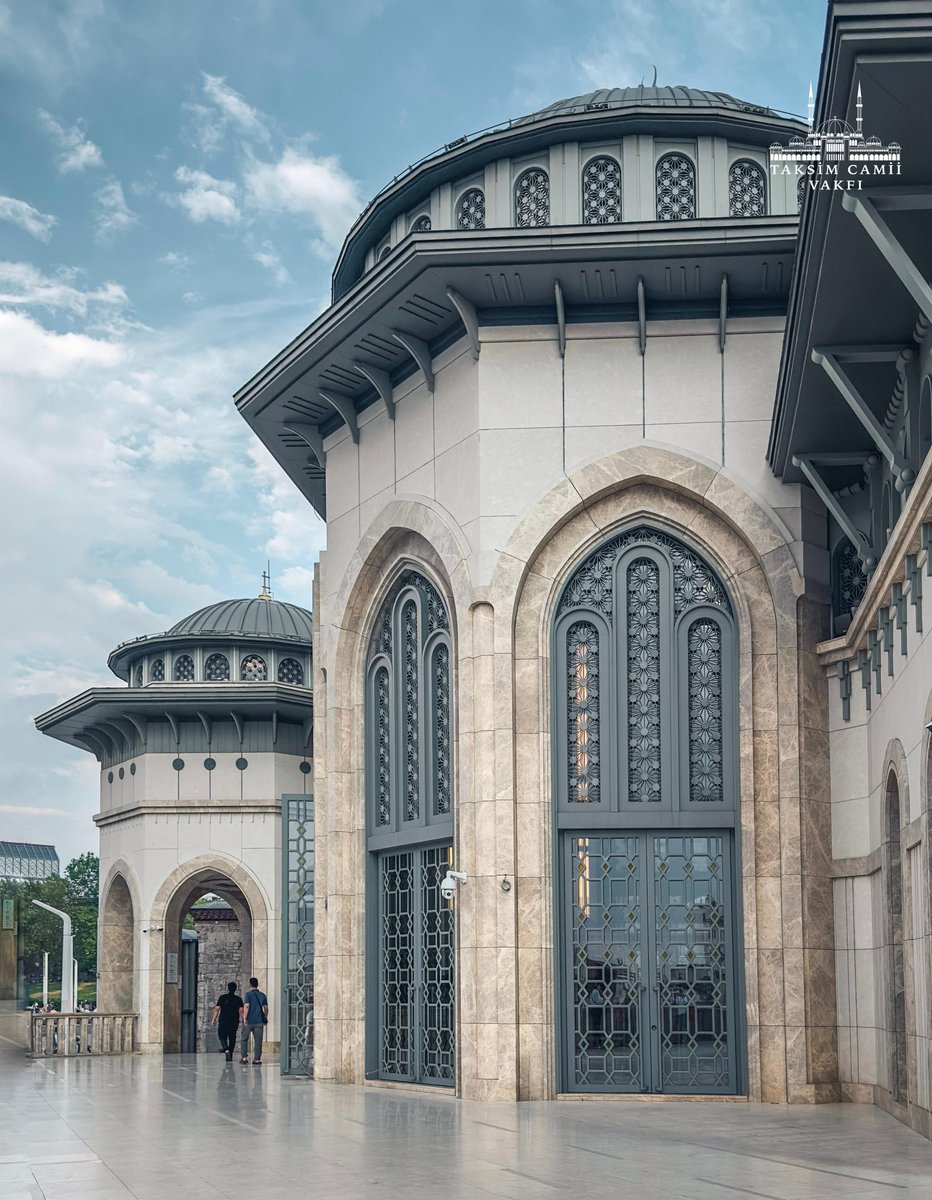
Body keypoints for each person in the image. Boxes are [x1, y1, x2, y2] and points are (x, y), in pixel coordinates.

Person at [211, 982, 243, 1061]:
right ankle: (230, 1052)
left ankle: (226, 1049)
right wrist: (243, 1019)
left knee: (222, 1035)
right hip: (234, 1020)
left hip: (223, 1020)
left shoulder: (222, 997)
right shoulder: (238, 999)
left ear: (228, 988)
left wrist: (214, 1019)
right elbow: (241, 1010)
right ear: (235, 989)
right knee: (232, 1036)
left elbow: (217, 1008)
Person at [240, 976, 268, 1065]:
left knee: (244, 1039)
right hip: (259, 1021)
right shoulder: (263, 995)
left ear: (250, 984)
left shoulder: (248, 994)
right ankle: (257, 1059)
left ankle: (244, 1058)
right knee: (258, 1041)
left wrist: (245, 1017)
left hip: (249, 1021)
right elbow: (266, 1008)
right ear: (257, 984)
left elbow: (247, 1006)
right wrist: (265, 1015)